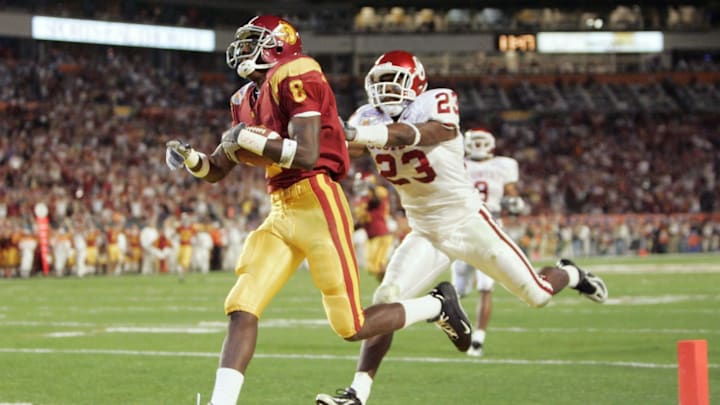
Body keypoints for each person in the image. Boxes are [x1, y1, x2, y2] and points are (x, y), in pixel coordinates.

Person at [164, 16, 472, 405]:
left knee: (351, 325)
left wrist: (250, 139)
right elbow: (216, 168)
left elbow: (307, 153)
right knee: (242, 306)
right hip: (280, 209)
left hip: (317, 200)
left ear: (279, 44)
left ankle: (436, 305)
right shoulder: (243, 99)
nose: (243, 50)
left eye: (254, 41)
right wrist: (191, 158)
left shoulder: (299, 71)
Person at [316, 50, 608, 405]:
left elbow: (430, 132)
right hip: (424, 231)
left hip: (468, 224)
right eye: (380, 82)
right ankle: (357, 393)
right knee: (386, 300)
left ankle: (572, 274)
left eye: (395, 80)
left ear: (416, 82)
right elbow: (350, 151)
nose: (387, 89)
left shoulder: (436, 102)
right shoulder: (367, 116)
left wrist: (361, 132)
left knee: (538, 295)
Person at [450, 128, 526, 357]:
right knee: (459, 291)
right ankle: (463, 328)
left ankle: (478, 338)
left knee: (486, 286)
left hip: (490, 226)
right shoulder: (457, 163)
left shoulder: (503, 164)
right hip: (462, 227)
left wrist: (514, 202)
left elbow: (512, 193)